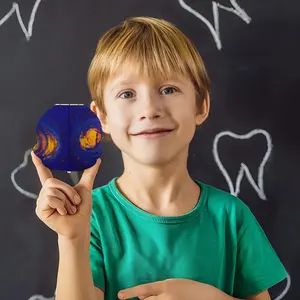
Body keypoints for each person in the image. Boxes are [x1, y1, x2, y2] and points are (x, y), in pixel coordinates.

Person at [32, 16, 287, 300]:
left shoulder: (231, 217)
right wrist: (72, 239)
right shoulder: (91, 216)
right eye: (127, 93)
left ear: (200, 106)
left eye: (168, 89)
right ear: (101, 117)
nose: (150, 109)